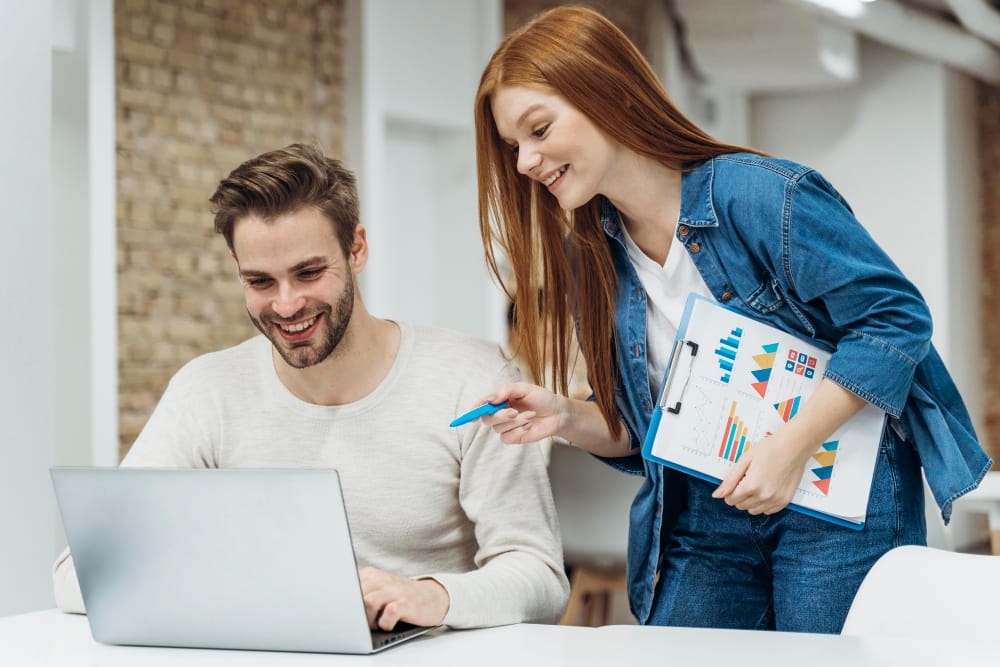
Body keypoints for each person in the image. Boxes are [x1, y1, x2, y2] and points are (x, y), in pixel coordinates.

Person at [471, 6, 990, 634]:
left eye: (538, 129)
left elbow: (895, 320)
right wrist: (565, 417)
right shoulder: (593, 260)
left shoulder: (762, 196)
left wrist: (790, 449)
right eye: (513, 146)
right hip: (703, 511)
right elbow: (647, 433)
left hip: (834, 496)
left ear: (608, 95)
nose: (525, 161)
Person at [53, 143, 569, 630]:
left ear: (357, 249)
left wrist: (434, 596)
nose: (286, 304)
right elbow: (78, 574)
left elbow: (539, 575)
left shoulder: (472, 378)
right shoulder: (206, 390)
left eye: (308, 273)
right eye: (260, 281)